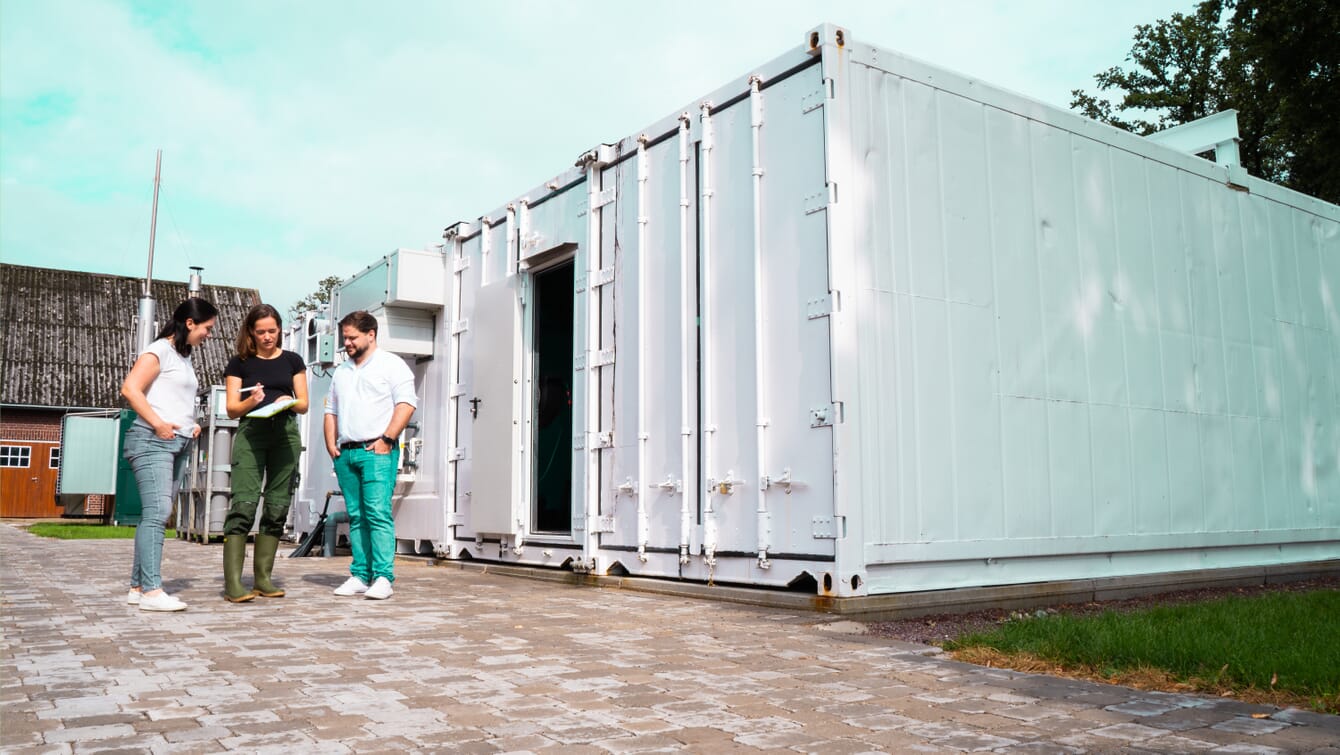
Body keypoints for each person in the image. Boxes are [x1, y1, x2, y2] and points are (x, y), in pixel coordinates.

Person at [120, 298, 218, 612]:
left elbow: (172, 398)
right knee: (158, 513)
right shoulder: (159, 350)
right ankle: (151, 591)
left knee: (155, 514)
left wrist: (190, 425)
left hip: (178, 442)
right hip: (152, 440)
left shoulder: (183, 357)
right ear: (190, 323)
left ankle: (137, 587)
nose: (209, 334)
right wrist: (159, 424)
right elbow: (130, 389)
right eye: (207, 328)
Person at [324, 311, 417, 600]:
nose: (347, 343)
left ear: (371, 335)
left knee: (377, 513)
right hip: (346, 453)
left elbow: (406, 404)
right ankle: (360, 575)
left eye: (352, 338)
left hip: (376, 451)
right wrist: (330, 444)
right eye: (345, 338)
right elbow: (331, 409)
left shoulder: (392, 365)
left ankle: (383, 577)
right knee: (356, 516)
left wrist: (387, 439)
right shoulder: (341, 371)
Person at [220, 304, 308, 602]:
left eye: (272, 331)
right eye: (261, 332)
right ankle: (233, 584)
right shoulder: (239, 363)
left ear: (279, 329)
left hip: (285, 434)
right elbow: (232, 409)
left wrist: (286, 400)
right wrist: (252, 401)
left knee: (277, 505)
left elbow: (304, 404)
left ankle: (263, 579)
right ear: (251, 332)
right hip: (251, 435)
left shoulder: (293, 360)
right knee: (244, 504)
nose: (267, 337)